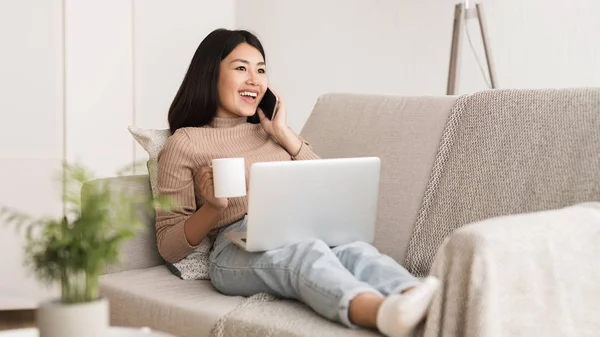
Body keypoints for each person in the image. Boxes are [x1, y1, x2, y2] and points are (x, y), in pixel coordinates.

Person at [155, 28, 440, 337]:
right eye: (241, 68)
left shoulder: (272, 132)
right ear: (211, 74)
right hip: (234, 246)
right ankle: (379, 313)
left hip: (300, 229)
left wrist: (284, 134)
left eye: (261, 70)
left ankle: (419, 299)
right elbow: (169, 245)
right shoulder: (185, 143)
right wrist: (212, 208)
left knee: (354, 249)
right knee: (307, 255)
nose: (255, 80)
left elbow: (326, 185)